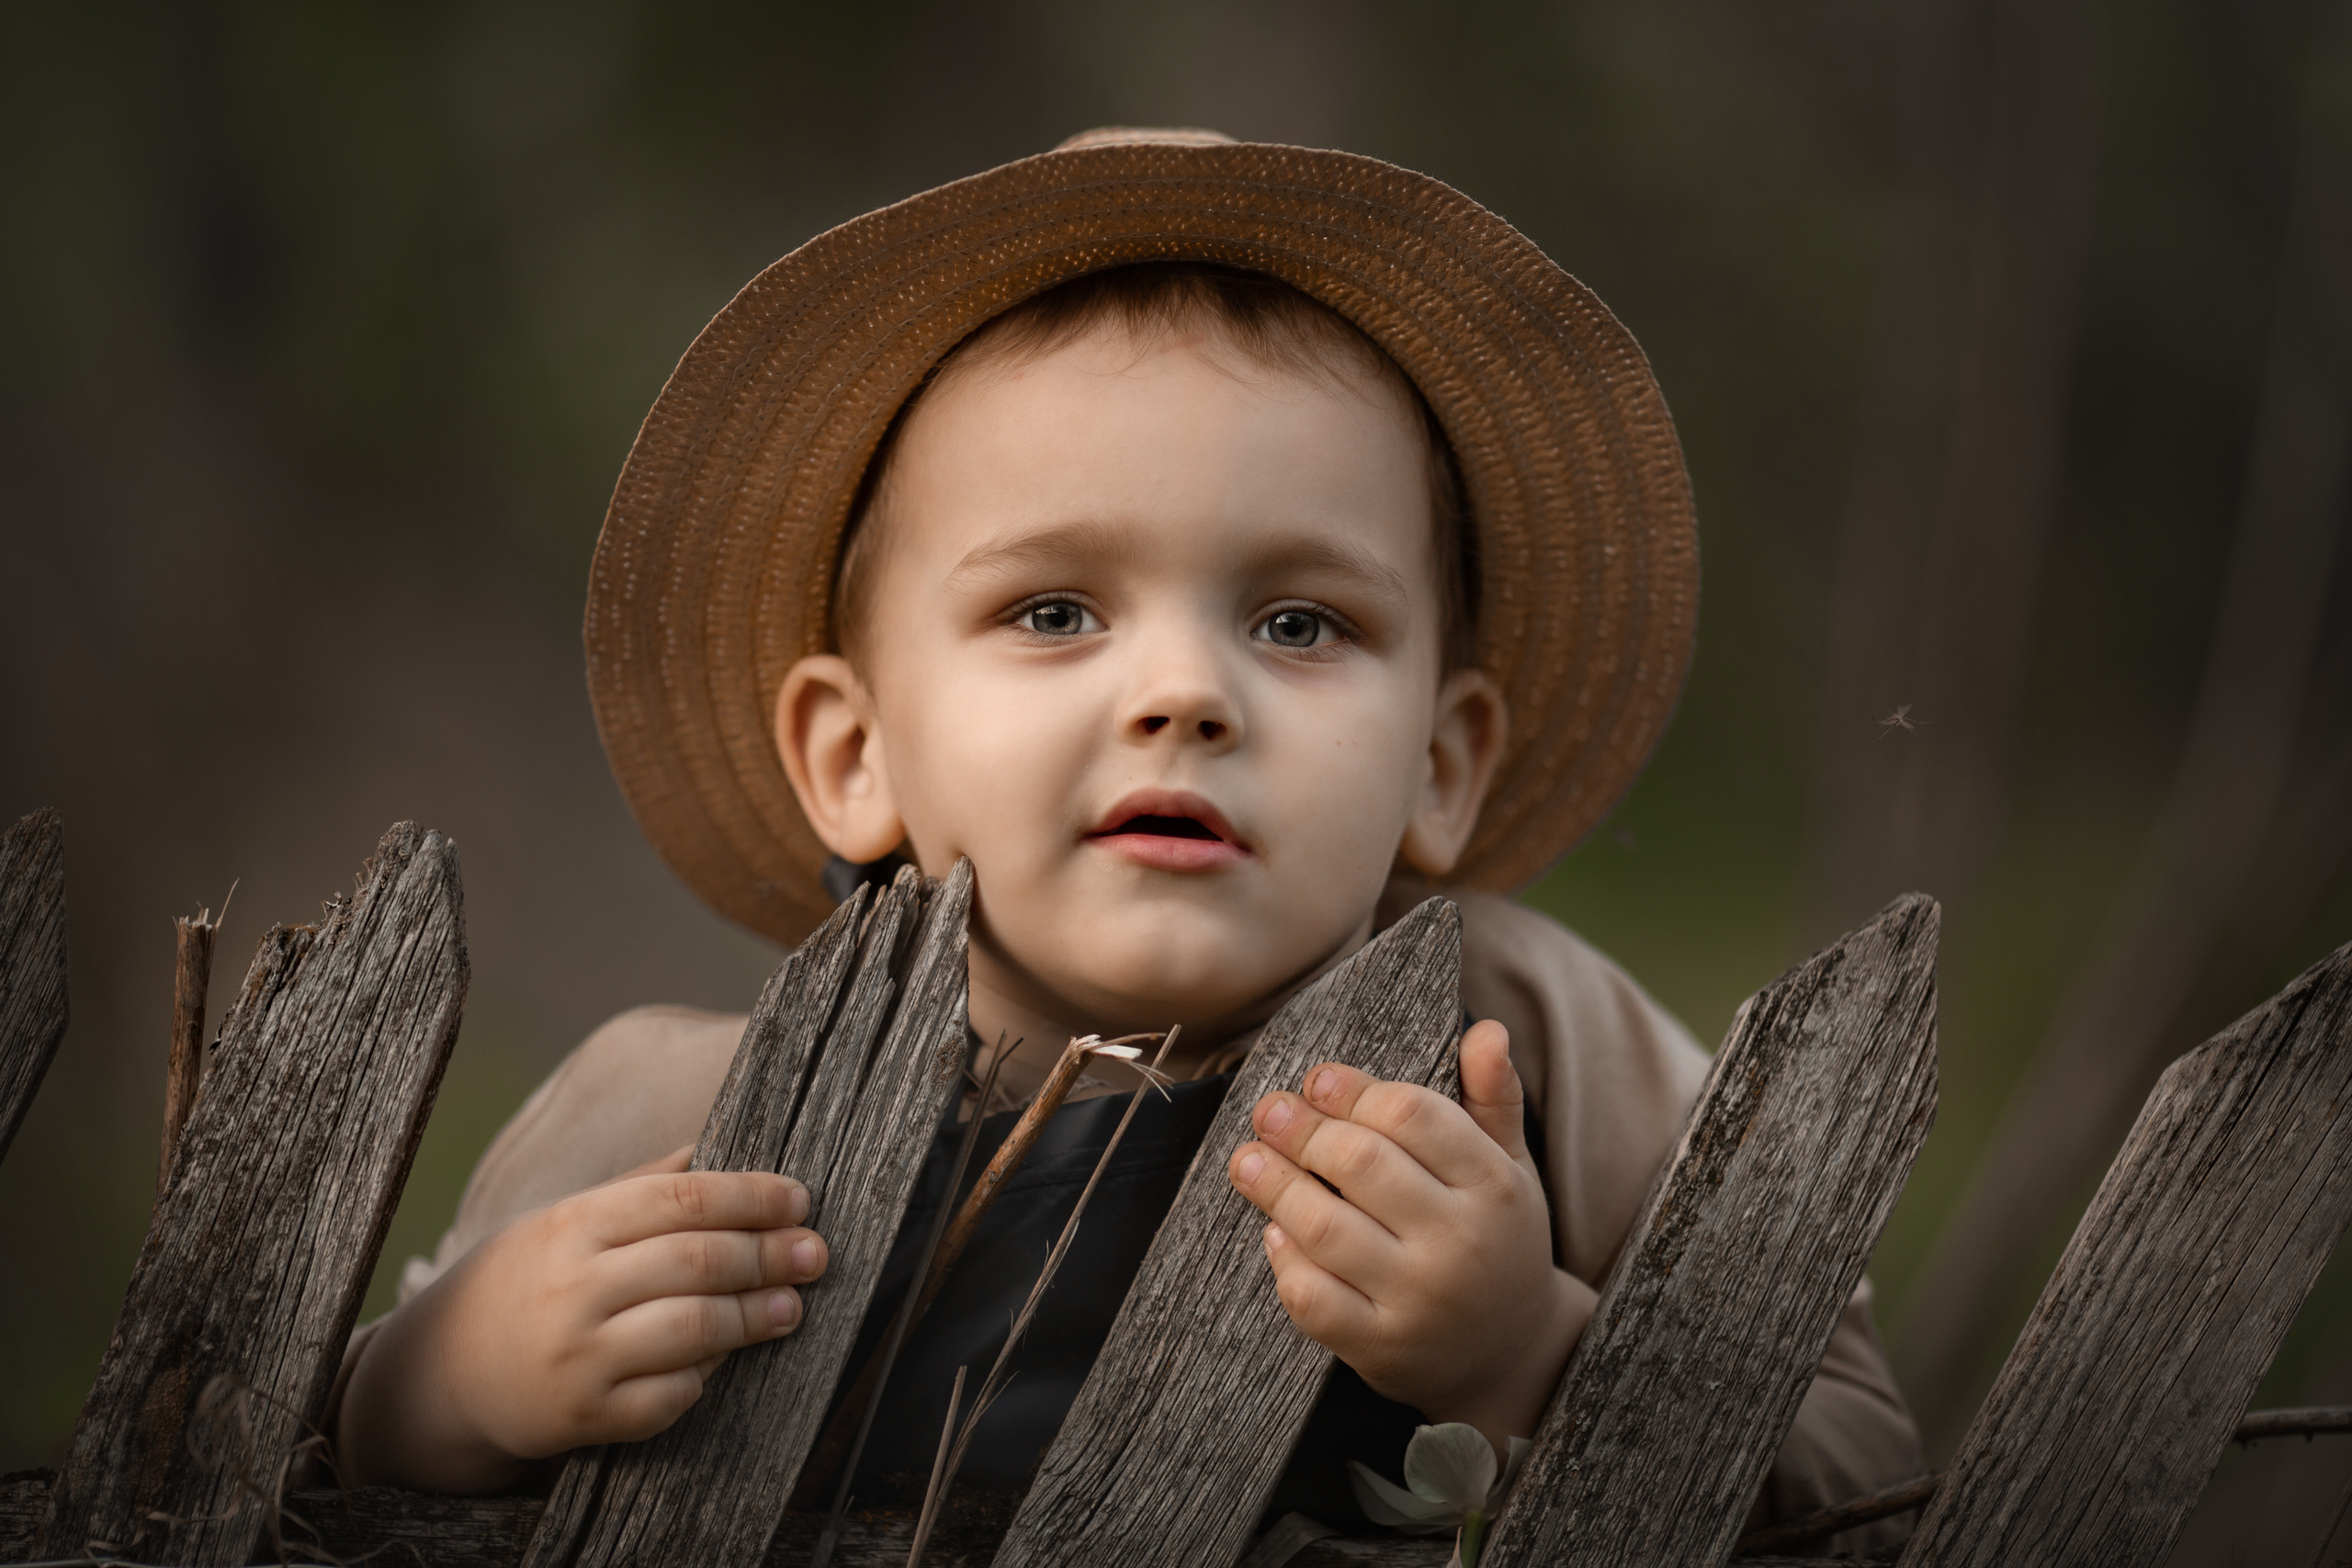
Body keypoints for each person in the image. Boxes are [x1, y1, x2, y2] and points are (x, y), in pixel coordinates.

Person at [331, 130, 1923, 1548]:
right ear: (853, 750)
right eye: (1054, 610)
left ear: (1443, 764)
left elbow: (1863, 1468)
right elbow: (333, 1438)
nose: (1183, 694)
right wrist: (468, 1374)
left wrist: (1530, 1356)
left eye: (1300, 622)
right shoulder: (688, 1113)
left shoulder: (1533, 1053)